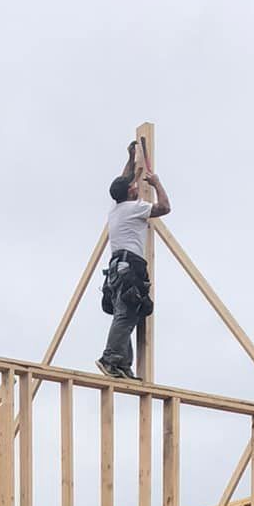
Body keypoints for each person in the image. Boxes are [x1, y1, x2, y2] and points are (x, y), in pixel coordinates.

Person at [97, 142, 171, 381]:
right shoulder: (134, 208)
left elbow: (123, 180)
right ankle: (110, 357)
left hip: (119, 269)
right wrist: (157, 183)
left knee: (128, 313)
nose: (136, 185)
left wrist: (131, 158)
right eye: (134, 185)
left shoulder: (116, 207)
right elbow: (165, 207)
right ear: (130, 192)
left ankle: (122, 365)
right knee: (126, 315)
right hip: (130, 267)